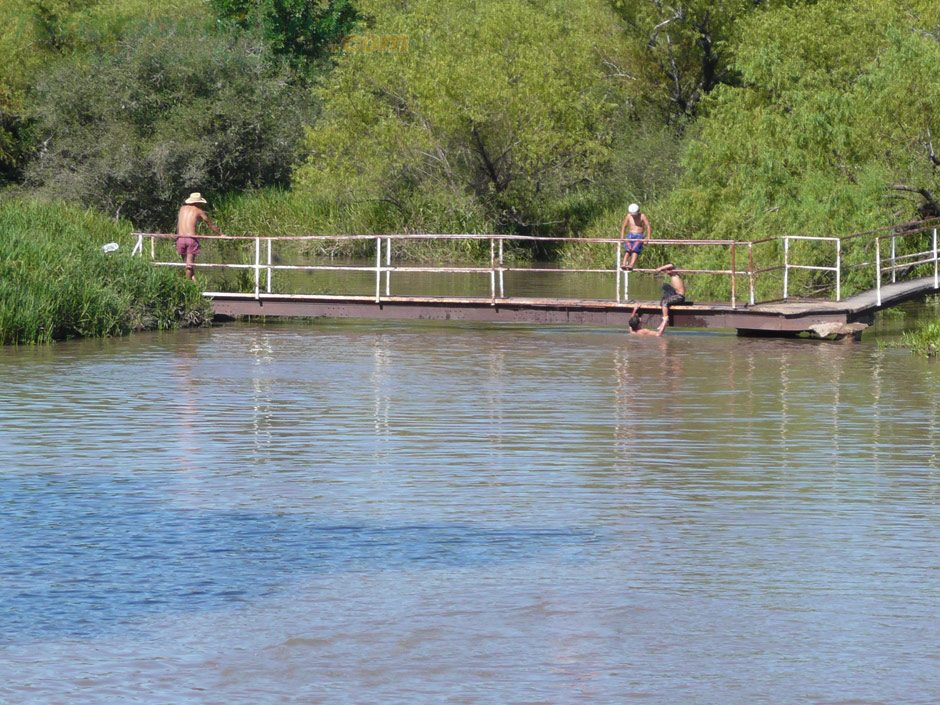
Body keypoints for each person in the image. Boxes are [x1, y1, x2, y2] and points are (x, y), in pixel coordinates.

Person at [176, 192, 226, 280]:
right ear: (197, 202)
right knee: (189, 264)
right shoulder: (198, 211)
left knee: (187, 264)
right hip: (191, 239)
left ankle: (194, 284)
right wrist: (220, 234)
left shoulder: (182, 209)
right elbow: (210, 224)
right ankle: (187, 284)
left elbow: (178, 224)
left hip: (180, 238)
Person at [620, 203, 651, 271]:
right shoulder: (628, 216)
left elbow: (648, 226)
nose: (634, 216)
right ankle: (624, 263)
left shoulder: (642, 216)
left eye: (635, 215)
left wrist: (648, 238)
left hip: (639, 235)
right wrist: (622, 237)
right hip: (630, 235)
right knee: (627, 250)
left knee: (635, 250)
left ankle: (631, 264)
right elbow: (624, 226)